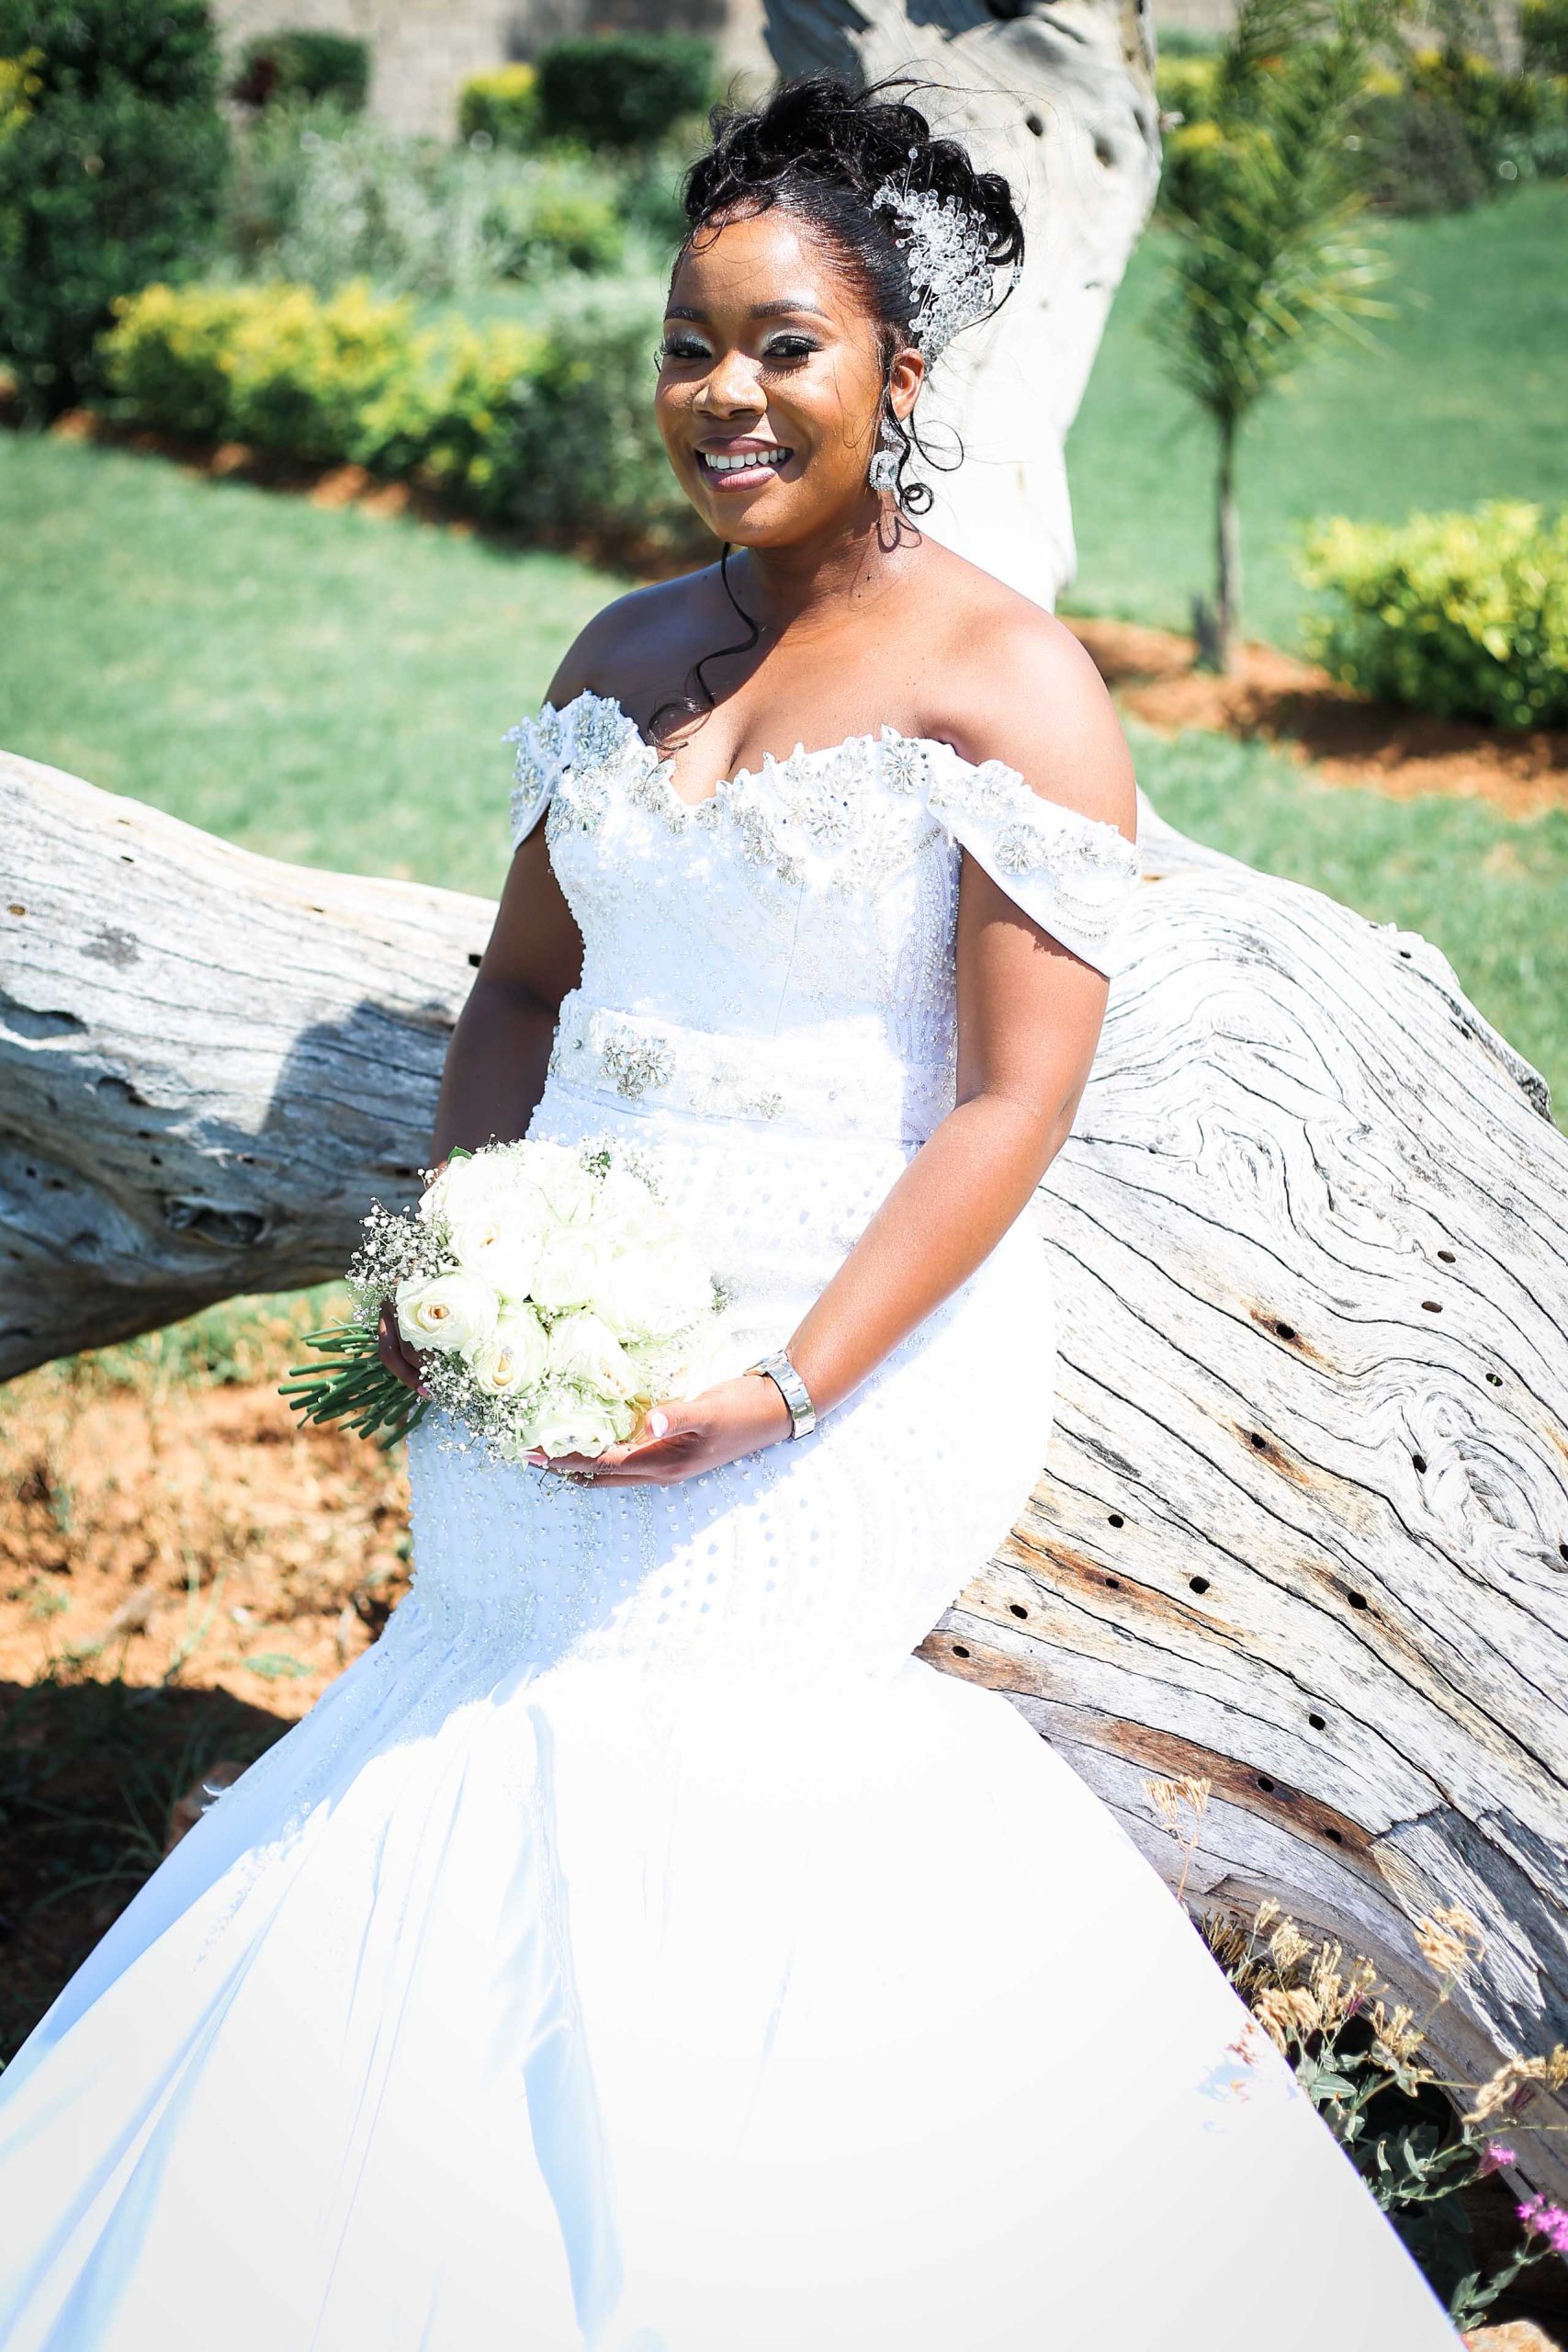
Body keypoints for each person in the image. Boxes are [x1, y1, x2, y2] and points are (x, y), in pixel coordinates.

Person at [0, 71, 1460, 2352]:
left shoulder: (1011, 682)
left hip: (845, 1354)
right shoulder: (614, 652)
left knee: (703, 1742)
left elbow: (1007, 1102)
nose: (723, 394)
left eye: (782, 343)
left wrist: (781, 1383)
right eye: (690, 343)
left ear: (897, 366)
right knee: (475, 1703)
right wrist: (452, 1254)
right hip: (556, 1319)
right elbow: (517, 981)